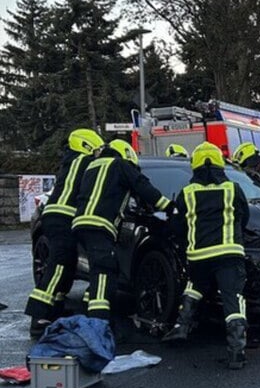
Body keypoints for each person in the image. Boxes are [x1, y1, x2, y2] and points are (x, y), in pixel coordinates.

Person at [162, 142, 250, 369]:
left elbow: (178, 226)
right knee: (233, 297)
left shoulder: (187, 193)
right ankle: (236, 352)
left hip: (198, 255)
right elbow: (244, 217)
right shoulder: (233, 189)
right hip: (229, 253)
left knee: (195, 286)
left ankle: (182, 327)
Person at [72, 139, 171, 326]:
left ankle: (87, 310)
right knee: (104, 270)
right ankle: (97, 325)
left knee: (100, 267)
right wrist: (168, 206)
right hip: (100, 225)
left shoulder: (92, 167)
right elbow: (142, 187)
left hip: (80, 225)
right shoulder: (120, 165)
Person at [26, 128, 104, 338]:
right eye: (96, 150)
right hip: (62, 217)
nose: (98, 154)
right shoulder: (81, 161)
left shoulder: (71, 162)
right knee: (59, 265)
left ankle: (55, 308)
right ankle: (39, 316)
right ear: (86, 146)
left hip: (58, 216)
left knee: (67, 262)